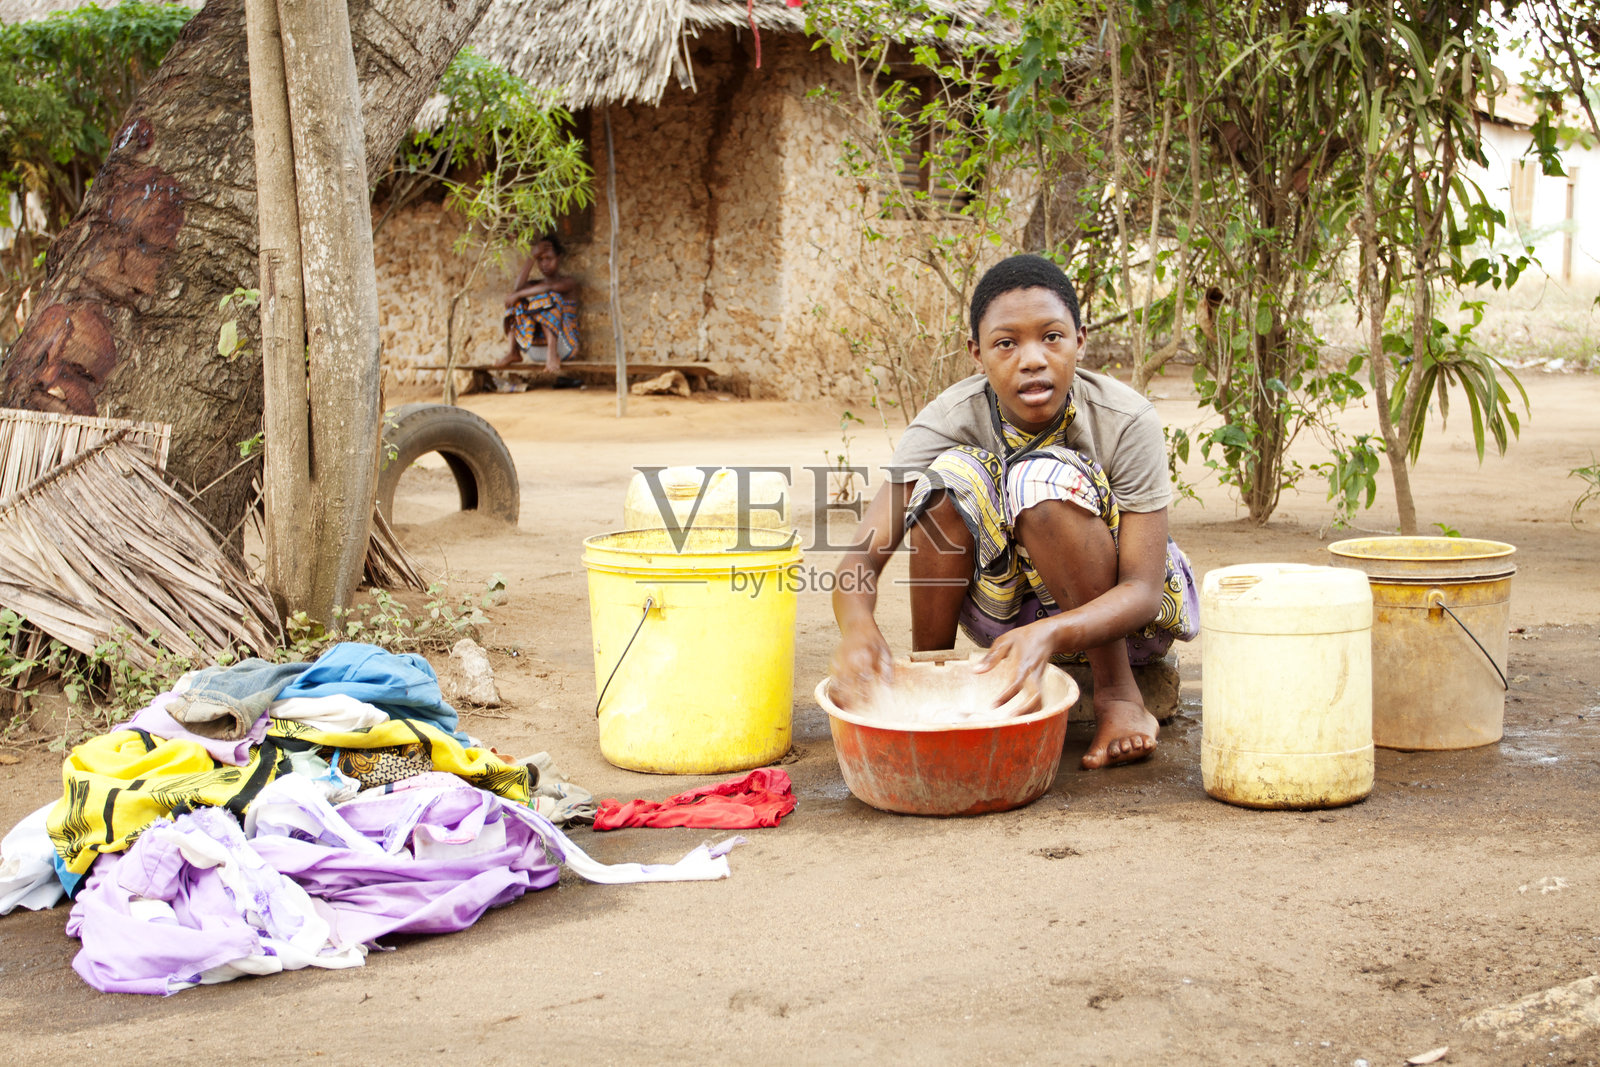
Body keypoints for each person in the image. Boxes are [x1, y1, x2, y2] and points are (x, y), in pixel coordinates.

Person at [828, 253, 1199, 770]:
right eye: (1007, 343)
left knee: (1038, 481)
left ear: (1080, 340)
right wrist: (857, 629)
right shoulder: (946, 420)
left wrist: (1052, 631)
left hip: (1124, 627)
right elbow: (858, 563)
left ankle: (1119, 697)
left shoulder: (1125, 418)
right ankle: (933, 680)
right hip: (1008, 628)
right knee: (947, 478)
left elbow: (1142, 589)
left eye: (1052, 337)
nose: (1032, 359)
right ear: (976, 353)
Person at [498, 234, 580, 372]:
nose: (544, 264)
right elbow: (516, 290)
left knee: (547, 297)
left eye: (549, 258)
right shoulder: (534, 284)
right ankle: (513, 352)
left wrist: (518, 294)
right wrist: (531, 257)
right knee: (516, 302)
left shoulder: (568, 282)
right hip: (535, 349)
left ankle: (552, 355)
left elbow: (549, 288)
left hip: (564, 346)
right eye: (540, 259)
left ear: (559, 258)